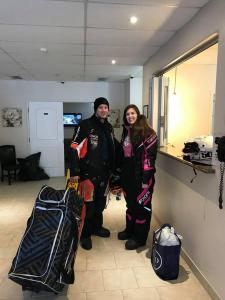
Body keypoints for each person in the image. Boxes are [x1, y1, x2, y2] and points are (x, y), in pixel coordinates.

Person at [69, 97, 117, 250]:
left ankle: (97, 228)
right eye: (100, 107)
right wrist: (75, 171)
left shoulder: (109, 127)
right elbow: (74, 148)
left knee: (100, 204)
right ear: (96, 109)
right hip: (87, 174)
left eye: (105, 107)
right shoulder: (85, 125)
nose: (103, 110)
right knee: (87, 206)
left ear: (108, 110)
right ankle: (86, 234)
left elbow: (113, 149)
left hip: (104, 174)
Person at [118, 104, 157, 250]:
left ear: (138, 114)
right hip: (128, 175)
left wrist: (146, 180)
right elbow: (124, 155)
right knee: (131, 205)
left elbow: (150, 158)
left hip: (142, 177)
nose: (130, 116)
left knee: (142, 207)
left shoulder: (148, 133)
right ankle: (130, 231)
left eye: (132, 113)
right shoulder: (126, 131)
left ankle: (139, 238)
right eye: (127, 114)